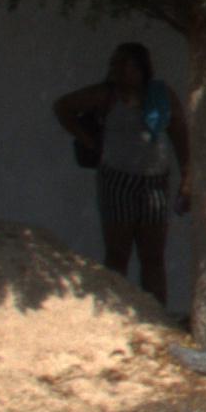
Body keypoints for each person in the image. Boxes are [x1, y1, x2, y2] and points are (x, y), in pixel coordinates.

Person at [53, 40, 184, 308]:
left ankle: (156, 314)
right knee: (117, 253)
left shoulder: (161, 95)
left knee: (152, 256)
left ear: (140, 67)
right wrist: (90, 142)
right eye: (115, 63)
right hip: (118, 180)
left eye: (124, 64)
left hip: (155, 182)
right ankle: (115, 311)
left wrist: (188, 176)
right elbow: (63, 107)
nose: (117, 69)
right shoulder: (106, 95)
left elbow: (180, 133)